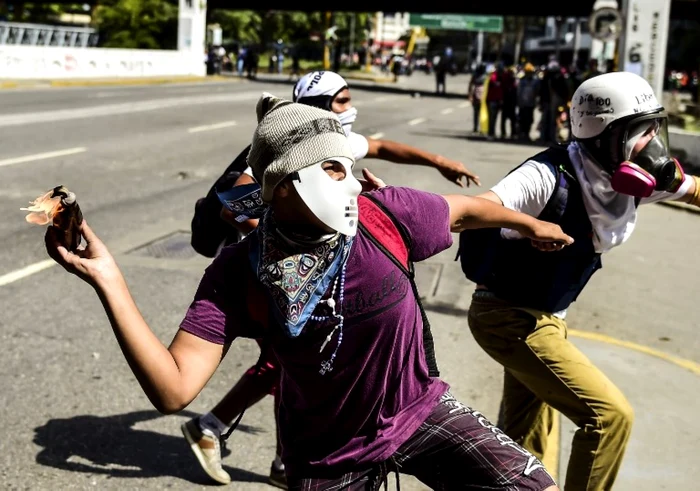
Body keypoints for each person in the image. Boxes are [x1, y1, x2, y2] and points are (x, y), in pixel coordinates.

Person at [45, 94, 568, 490]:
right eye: (333, 168)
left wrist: (528, 225)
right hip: (327, 459)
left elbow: (465, 210)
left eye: (349, 164)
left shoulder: (385, 216)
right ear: (286, 184)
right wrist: (109, 279)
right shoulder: (241, 271)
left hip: (419, 413)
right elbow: (174, 389)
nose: (354, 183)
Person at [183, 70, 482, 487]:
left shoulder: (333, 140)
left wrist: (440, 162)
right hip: (274, 274)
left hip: (319, 268)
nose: (350, 107)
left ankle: (263, 451)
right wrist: (284, 240)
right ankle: (224, 432)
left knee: (290, 365)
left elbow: (380, 146)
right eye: (341, 100)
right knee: (287, 361)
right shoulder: (287, 146)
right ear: (321, 106)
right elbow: (232, 206)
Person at [458, 71, 700, 491]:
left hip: (547, 318)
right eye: (639, 132)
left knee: (523, 439)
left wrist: (682, 182)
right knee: (609, 418)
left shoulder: (634, 178)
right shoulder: (546, 176)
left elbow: (693, 189)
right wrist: (529, 226)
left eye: (653, 128)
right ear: (604, 136)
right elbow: (467, 210)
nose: (652, 146)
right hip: (507, 316)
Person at [517, 63, 540, 141]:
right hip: (522, 104)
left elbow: (537, 92)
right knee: (521, 120)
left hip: (530, 104)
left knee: (529, 120)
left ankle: (526, 134)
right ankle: (521, 134)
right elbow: (519, 92)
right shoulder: (522, 80)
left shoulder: (535, 81)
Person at [468, 64, 487, 133]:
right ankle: (475, 127)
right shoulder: (475, 75)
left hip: (483, 95)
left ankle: (482, 127)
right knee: (476, 113)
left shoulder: (486, 76)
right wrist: (470, 95)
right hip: (476, 95)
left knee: (482, 113)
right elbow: (470, 85)